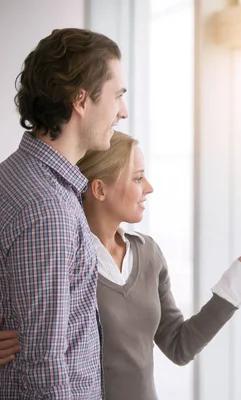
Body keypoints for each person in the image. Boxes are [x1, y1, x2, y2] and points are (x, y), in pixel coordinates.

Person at [1, 131, 241, 400]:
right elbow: (39, 341)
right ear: (99, 189)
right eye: (138, 178)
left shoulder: (148, 253)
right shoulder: (63, 255)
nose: (149, 187)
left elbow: (179, 346)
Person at [0, 27, 128, 398]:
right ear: (81, 100)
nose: (123, 111)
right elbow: (46, 368)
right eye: (117, 96)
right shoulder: (49, 209)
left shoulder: (14, 176)